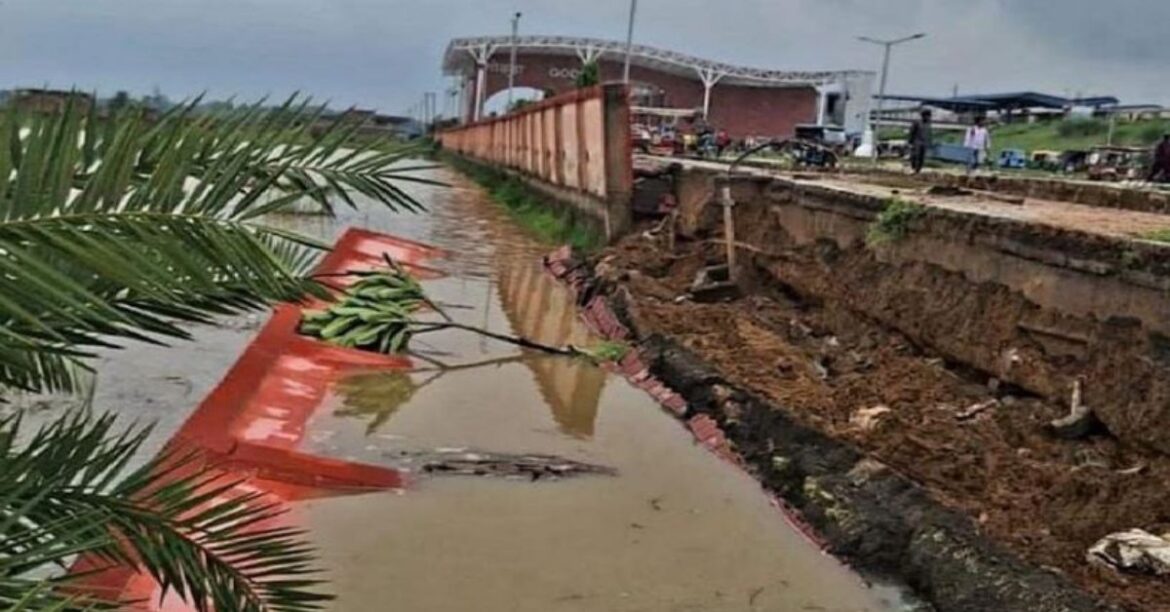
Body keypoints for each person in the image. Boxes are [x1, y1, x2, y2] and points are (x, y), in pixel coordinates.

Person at [907, 109, 933, 174]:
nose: (929, 118)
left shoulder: (928, 123)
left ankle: (918, 170)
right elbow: (912, 132)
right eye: (927, 116)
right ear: (923, 116)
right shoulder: (917, 122)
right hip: (917, 142)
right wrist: (910, 142)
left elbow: (929, 133)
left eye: (929, 116)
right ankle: (913, 168)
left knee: (922, 157)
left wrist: (929, 141)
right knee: (915, 156)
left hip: (924, 143)